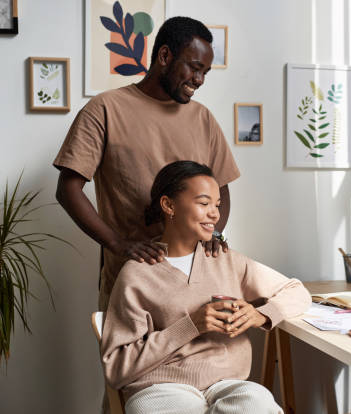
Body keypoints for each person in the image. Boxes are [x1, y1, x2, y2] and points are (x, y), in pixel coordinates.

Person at [53, 16, 239, 312]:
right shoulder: (105, 109)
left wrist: (213, 234)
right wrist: (117, 244)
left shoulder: (204, 119)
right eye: (194, 67)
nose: (200, 80)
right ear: (165, 56)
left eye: (205, 72)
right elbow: (68, 190)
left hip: (192, 288)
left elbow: (222, 191)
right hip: (131, 286)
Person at [100, 161, 311, 413]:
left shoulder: (226, 260)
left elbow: (297, 292)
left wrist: (261, 315)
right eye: (203, 203)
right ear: (169, 205)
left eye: (217, 205)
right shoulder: (137, 274)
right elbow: (117, 368)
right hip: (161, 388)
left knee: (258, 403)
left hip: (228, 386)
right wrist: (192, 325)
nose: (215, 214)